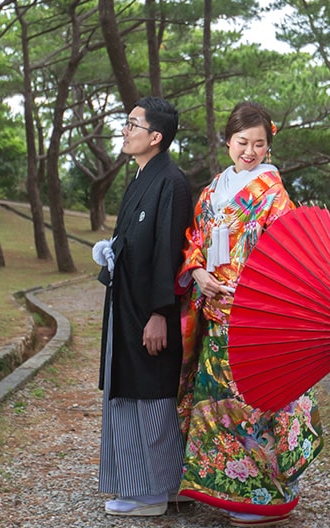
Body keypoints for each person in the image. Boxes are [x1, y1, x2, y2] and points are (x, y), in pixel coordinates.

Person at [175, 101, 322, 527]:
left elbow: (288, 252)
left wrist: (263, 293)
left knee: (258, 402)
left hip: (256, 316)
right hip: (216, 313)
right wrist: (199, 273)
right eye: (243, 142)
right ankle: (230, 493)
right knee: (218, 404)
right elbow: (194, 239)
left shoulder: (274, 194)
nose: (250, 151)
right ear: (227, 142)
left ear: (268, 147)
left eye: (259, 144)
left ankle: (269, 497)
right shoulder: (212, 191)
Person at [95, 96, 194, 518]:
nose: (125, 130)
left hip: (150, 311)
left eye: (133, 124)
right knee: (128, 392)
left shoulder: (171, 182)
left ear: (155, 137)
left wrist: (161, 313)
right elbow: (133, 241)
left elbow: (169, 253)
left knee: (152, 393)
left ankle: (155, 491)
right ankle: (141, 484)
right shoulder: (140, 177)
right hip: (127, 303)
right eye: (127, 122)